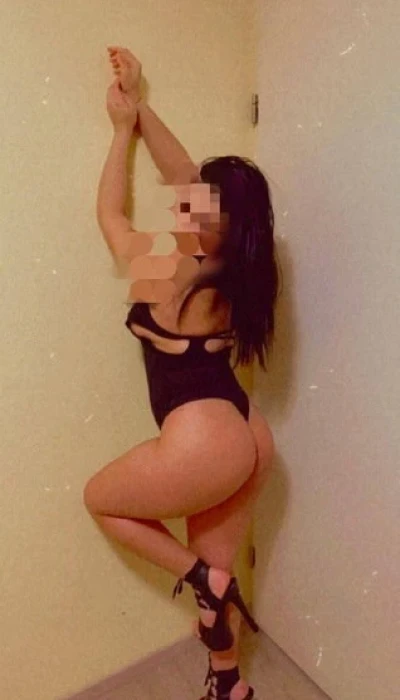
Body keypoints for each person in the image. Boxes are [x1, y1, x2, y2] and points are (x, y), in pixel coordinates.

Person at [83, 47, 281, 700]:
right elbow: (186, 173)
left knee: (100, 500)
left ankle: (201, 576)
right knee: (216, 589)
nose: (183, 201)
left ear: (216, 218)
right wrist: (139, 107)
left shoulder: (169, 271)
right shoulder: (243, 269)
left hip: (204, 443)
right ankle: (230, 684)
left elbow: (112, 218)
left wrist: (120, 136)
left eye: (197, 202)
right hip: (246, 433)